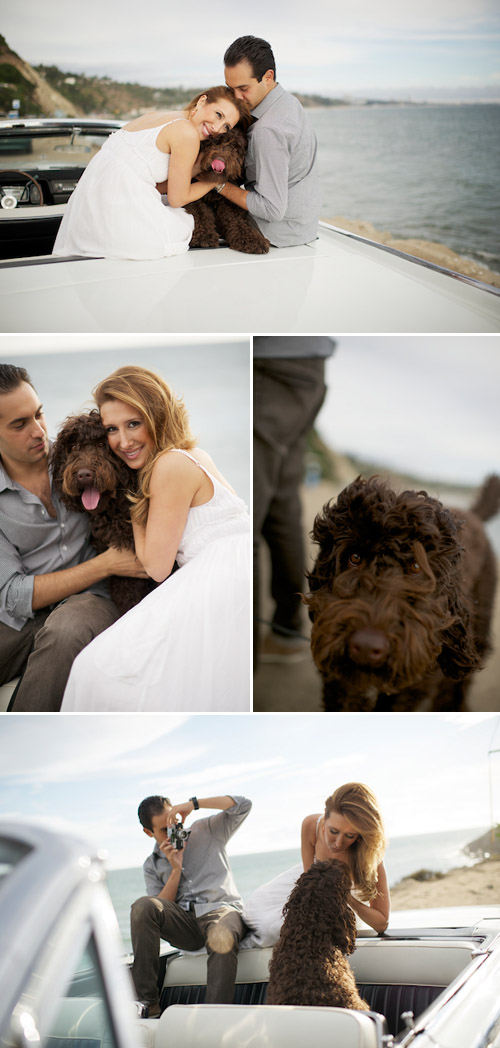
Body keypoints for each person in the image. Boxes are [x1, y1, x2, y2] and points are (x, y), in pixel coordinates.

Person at [61, 365, 250, 711]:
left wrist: (136, 501)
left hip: (217, 581)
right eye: (112, 430)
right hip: (233, 568)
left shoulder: (168, 466)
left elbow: (157, 567)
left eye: (134, 423)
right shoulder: (193, 453)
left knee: (96, 669)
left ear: (157, 415)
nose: (123, 441)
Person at [0, 363, 144, 711]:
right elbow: (12, 596)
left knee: (65, 631)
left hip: (91, 602)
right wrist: (106, 563)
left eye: (39, 415)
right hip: (19, 618)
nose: (38, 432)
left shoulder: (79, 452)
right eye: (19, 425)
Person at [53, 87, 250, 260]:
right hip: (119, 209)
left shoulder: (157, 116)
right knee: (184, 228)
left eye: (226, 126)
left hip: (89, 202)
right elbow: (177, 199)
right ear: (202, 101)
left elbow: (142, 177)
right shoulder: (187, 133)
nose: (217, 128)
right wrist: (215, 180)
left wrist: (195, 169)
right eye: (218, 114)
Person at [253, 336, 335, 667]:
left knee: (246, 523)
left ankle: (245, 667)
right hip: (310, 367)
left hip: (271, 369)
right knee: (281, 508)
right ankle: (287, 633)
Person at [131, 793, 252, 1015]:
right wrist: (175, 868)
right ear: (149, 833)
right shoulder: (152, 865)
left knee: (220, 933)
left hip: (220, 911)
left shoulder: (207, 830)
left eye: (173, 823)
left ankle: (215, 1017)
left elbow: (243, 805)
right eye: (164, 830)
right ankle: (149, 1005)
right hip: (186, 925)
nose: (173, 831)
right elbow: (158, 909)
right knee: (143, 906)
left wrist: (193, 805)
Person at [243, 783, 390, 946]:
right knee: (268, 923)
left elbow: (381, 924)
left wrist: (346, 896)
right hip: (301, 891)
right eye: (333, 831)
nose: (339, 843)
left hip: (341, 908)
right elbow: (309, 883)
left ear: (360, 835)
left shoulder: (370, 858)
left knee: (283, 930)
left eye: (349, 835)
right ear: (326, 818)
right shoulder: (312, 824)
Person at [222, 35, 321, 247]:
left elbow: (272, 209)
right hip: (303, 226)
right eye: (230, 89)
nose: (235, 98)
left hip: (273, 233)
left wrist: (219, 185)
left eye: (243, 89)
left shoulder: (268, 131)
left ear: (268, 77)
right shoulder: (287, 102)